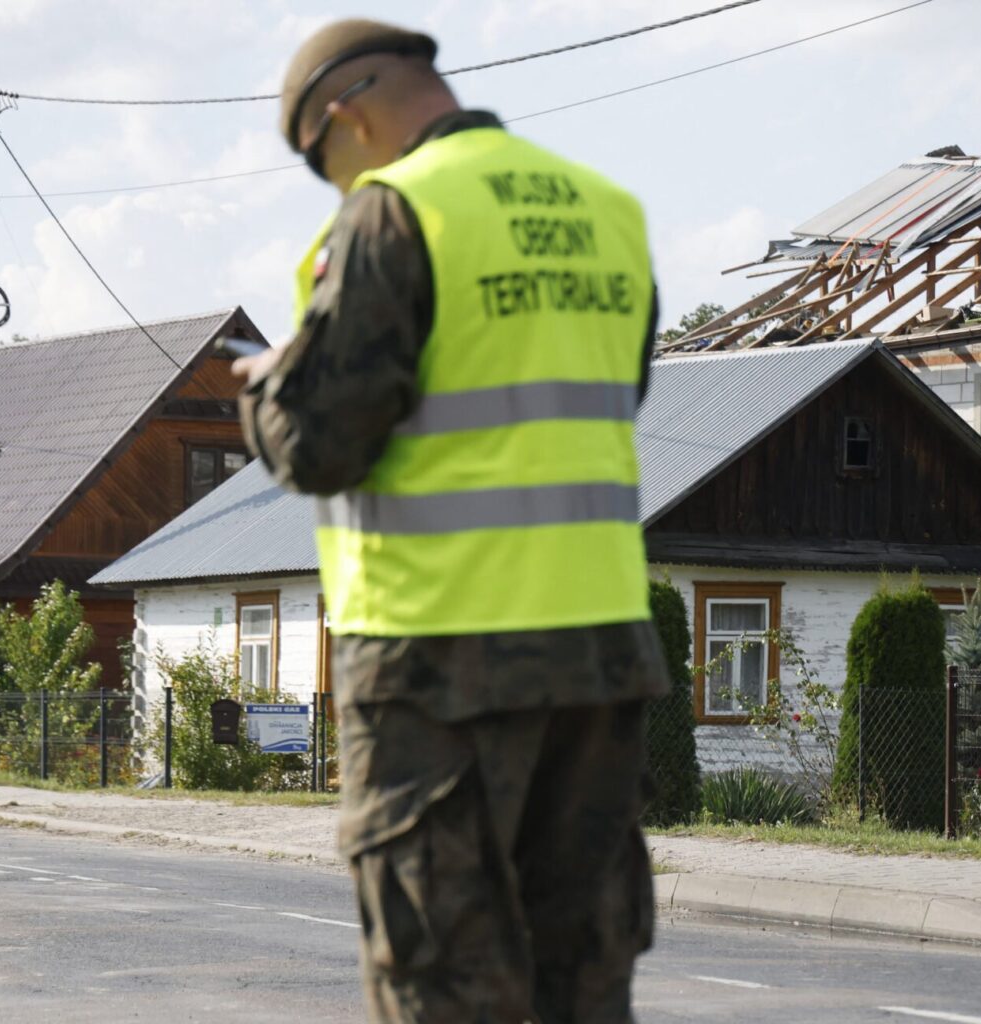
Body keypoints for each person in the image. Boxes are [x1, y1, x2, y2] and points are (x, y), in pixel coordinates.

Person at [234, 18, 668, 1024]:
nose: (331, 184)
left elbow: (322, 444)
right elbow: (612, 397)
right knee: (584, 976)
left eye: (318, 161)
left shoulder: (393, 214)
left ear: (343, 116)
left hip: (435, 656)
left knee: (443, 981)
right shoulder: (611, 212)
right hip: (598, 652)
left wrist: (266, 388)